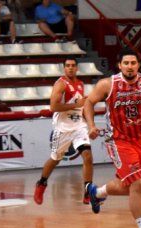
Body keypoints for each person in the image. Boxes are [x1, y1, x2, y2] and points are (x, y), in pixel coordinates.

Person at [83, 48, 141, 228]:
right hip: (117, 140)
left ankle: (97, 192)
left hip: (140, 139)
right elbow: (88, 103)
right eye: (126, 63)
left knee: (129, 185)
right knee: (137, 184)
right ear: (119, 65)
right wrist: (91, 126)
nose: (130, 66)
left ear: (138, 65)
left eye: (133, 63)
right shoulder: (108, 84)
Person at [33, 57, 92, 206]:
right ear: (64, 68)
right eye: (67, 66)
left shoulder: (80, 84)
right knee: (55, 159)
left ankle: (88, 192)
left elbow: (81, 106)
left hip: (79, 125)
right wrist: (75, 105)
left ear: (77, 68)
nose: (70, 68)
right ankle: (41, 183)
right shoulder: (60, 84)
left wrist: (90, 124)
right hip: (63, 128)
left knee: (88, 156)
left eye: (73, 65)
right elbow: (53, 107)